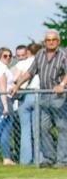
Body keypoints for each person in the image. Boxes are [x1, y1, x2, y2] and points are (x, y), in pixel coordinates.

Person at [12, 29, 65, 167]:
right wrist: (17, 85)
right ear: (44, 42)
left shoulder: (64, 54)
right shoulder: (40, 54)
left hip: (59, 96)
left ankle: (62, 160)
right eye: (48, 40)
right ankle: (49, 158)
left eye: (54, 40)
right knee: (42, 128)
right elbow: (30, 72)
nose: (51, 42)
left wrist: (62, 84)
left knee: (62, 128)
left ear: (58, 41)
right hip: (43, 96)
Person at [12, 41, 38, 165]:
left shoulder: (21, 63)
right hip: (38, 94)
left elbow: (14, 79)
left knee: (25, 130)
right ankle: (40, 158)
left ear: (28, 51)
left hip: (25, 96)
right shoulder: (41, 62)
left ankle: (25, 159)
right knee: (38, 130)